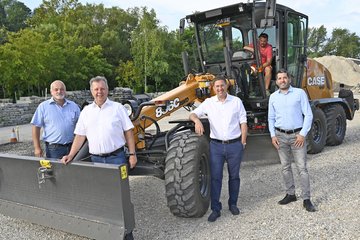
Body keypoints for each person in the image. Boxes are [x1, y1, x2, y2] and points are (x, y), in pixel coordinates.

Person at [189, 76, 248, 222]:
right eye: (217, 87)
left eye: (222, 86)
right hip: (216, 146)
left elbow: (243, 122)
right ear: (213, 88)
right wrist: (196, 121)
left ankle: (233, 204)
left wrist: (243, 142)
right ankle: (216, 209)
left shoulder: (236, 102)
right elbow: (192, 114)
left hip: (235, 145)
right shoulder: (209, 103)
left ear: (226, 86)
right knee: (215, 178)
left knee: (234, 177)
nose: (220, 89)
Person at [61, 76, 137, 169]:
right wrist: (71, 155)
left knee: (118, 184)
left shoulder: (118, 108)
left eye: (102, 89)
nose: (99, 92)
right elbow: (80, 136)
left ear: (107, 90)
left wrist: (132, 154)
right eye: (96, 89)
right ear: (91, 91)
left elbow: (128, 132)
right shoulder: (86, 112)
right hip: (95, 160)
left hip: (117, 158)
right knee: (98, 184)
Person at [268, 69, 316, 212]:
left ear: (289, 79)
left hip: (297, 136)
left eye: (284, 78)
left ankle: (306, 199)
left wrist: (302, 134)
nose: (282, 80)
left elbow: (308, 115)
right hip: (280, 136)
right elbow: (271, 118)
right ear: (276, 82)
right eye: (279, 78)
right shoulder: (273, 97)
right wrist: (272, 135)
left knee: (302, 168)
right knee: (285, 167)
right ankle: (290, 194)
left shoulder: (299, 93)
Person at [31, 80, 80, 159]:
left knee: (73, 171)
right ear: (51, 92)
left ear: (65, 91)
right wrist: (37, 148)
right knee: (56, 171)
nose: (59, 91)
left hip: (72, 147)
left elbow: (81, 124)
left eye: (62, 89)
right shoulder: (43, 107)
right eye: (56, 89)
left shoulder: (73, 106)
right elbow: (35, 127)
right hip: (54, 149)